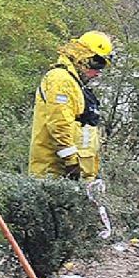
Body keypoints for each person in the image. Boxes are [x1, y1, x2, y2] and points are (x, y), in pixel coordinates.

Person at [29, 31, 114, 179]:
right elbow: (59, 123)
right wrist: (72, 162)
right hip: (55, 173)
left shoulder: (74, 83)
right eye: (97, 63)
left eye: (102, 66)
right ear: (82, 58)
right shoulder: (61, 79)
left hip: (72, 174)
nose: (98, 72)